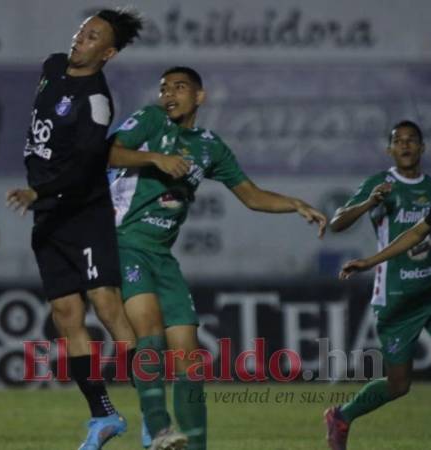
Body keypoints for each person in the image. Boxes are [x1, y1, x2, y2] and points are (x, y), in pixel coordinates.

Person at [108, 66, 327, 450]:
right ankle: (158, 428)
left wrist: (294, 204)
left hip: (162, 256)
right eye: (164, 88)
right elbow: (106, 153)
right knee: (150, 331)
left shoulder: (209, 146)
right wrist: (156, 158)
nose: (169, 95)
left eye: (179, 87)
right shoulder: (151, 119)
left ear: (199, 96)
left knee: (190, 359)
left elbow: (252, 195)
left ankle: (195, 446)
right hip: (125, 243)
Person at [5, 8, 143, 450]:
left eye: (93, 36)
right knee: (65, 316)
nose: (81, 38)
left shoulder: (97, 101)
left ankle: (155, 415)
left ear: (109, 52)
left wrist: (37, 193)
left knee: (107, 307)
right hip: (49, 216)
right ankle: (103, 417)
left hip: (83, 213)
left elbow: (86, 167)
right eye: (82, 29)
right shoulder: (50, 67)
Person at [324, 121, 431, 450]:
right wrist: (370, 202)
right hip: (396, 297)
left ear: (422, 147)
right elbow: (337, 222)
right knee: (399, 385)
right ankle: (341, 416)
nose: (404, 146)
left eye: (411, 140)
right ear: (389, 149)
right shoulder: (380, 184)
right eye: (398, 141)